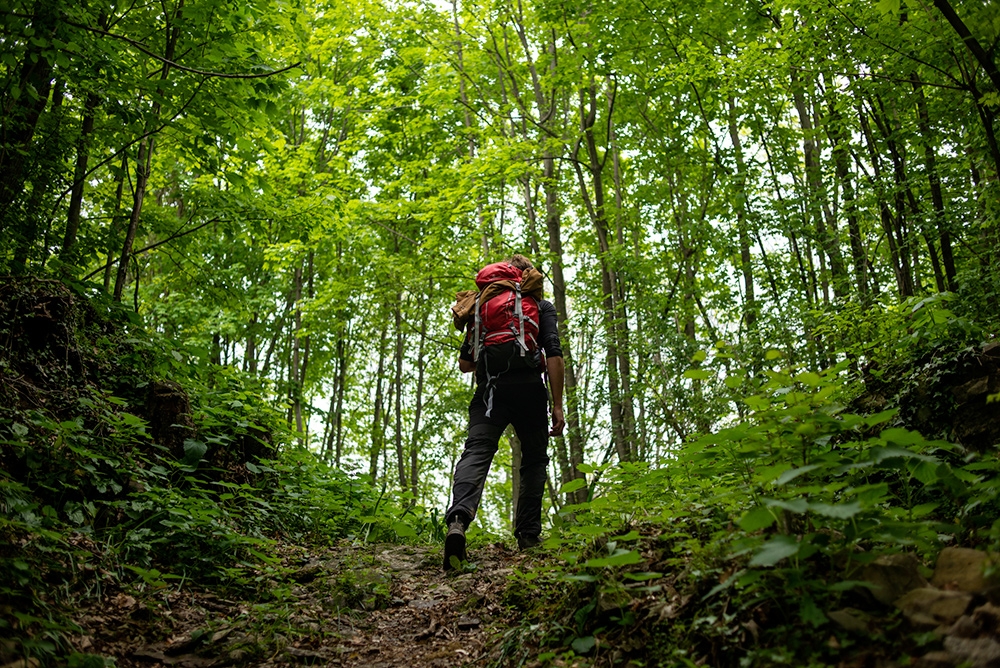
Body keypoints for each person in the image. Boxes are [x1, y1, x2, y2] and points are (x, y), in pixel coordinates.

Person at [444, 254, 565, 570]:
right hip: (529, 389)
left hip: (489, 393)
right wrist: (557, 404)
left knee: (477, 452)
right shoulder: (540, 307)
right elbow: (553, 353)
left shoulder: (482, 306)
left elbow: (465, 364)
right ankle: (527, 535)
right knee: (534, 458)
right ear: (529, 276)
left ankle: (458, 520)